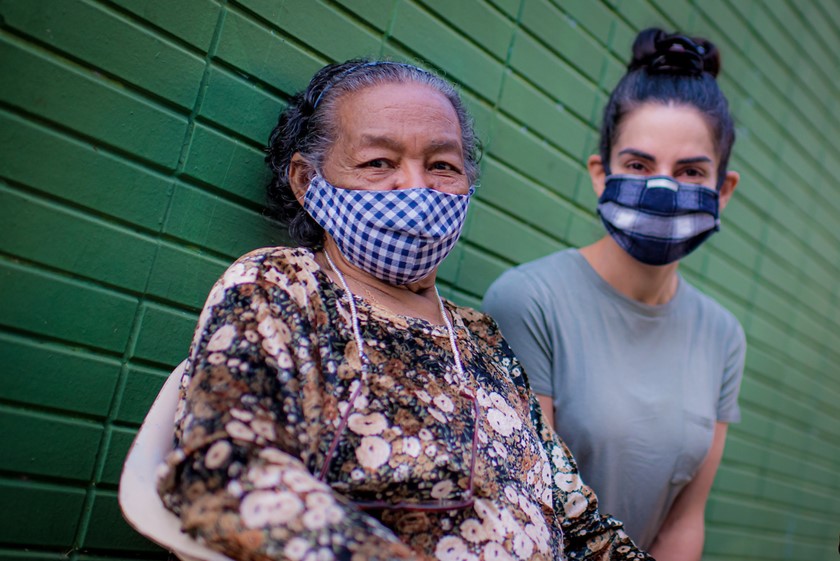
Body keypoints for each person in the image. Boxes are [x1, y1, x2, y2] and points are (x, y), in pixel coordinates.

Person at [156, 59, 652, 561]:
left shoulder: (483, 340)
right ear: (308, 182)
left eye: (442, 166)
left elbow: (582, 527)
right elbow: (225, 470)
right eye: (378, 163)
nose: (416, 188)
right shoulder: (282, 288)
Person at [484, 29, 746, 560]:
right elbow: (525, 504)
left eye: (691, 171)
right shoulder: (528, 300)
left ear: (723, 190)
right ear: (601, 175)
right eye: (639, 166)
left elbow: (684, 522)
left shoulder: (724, 336)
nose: (664, 189)